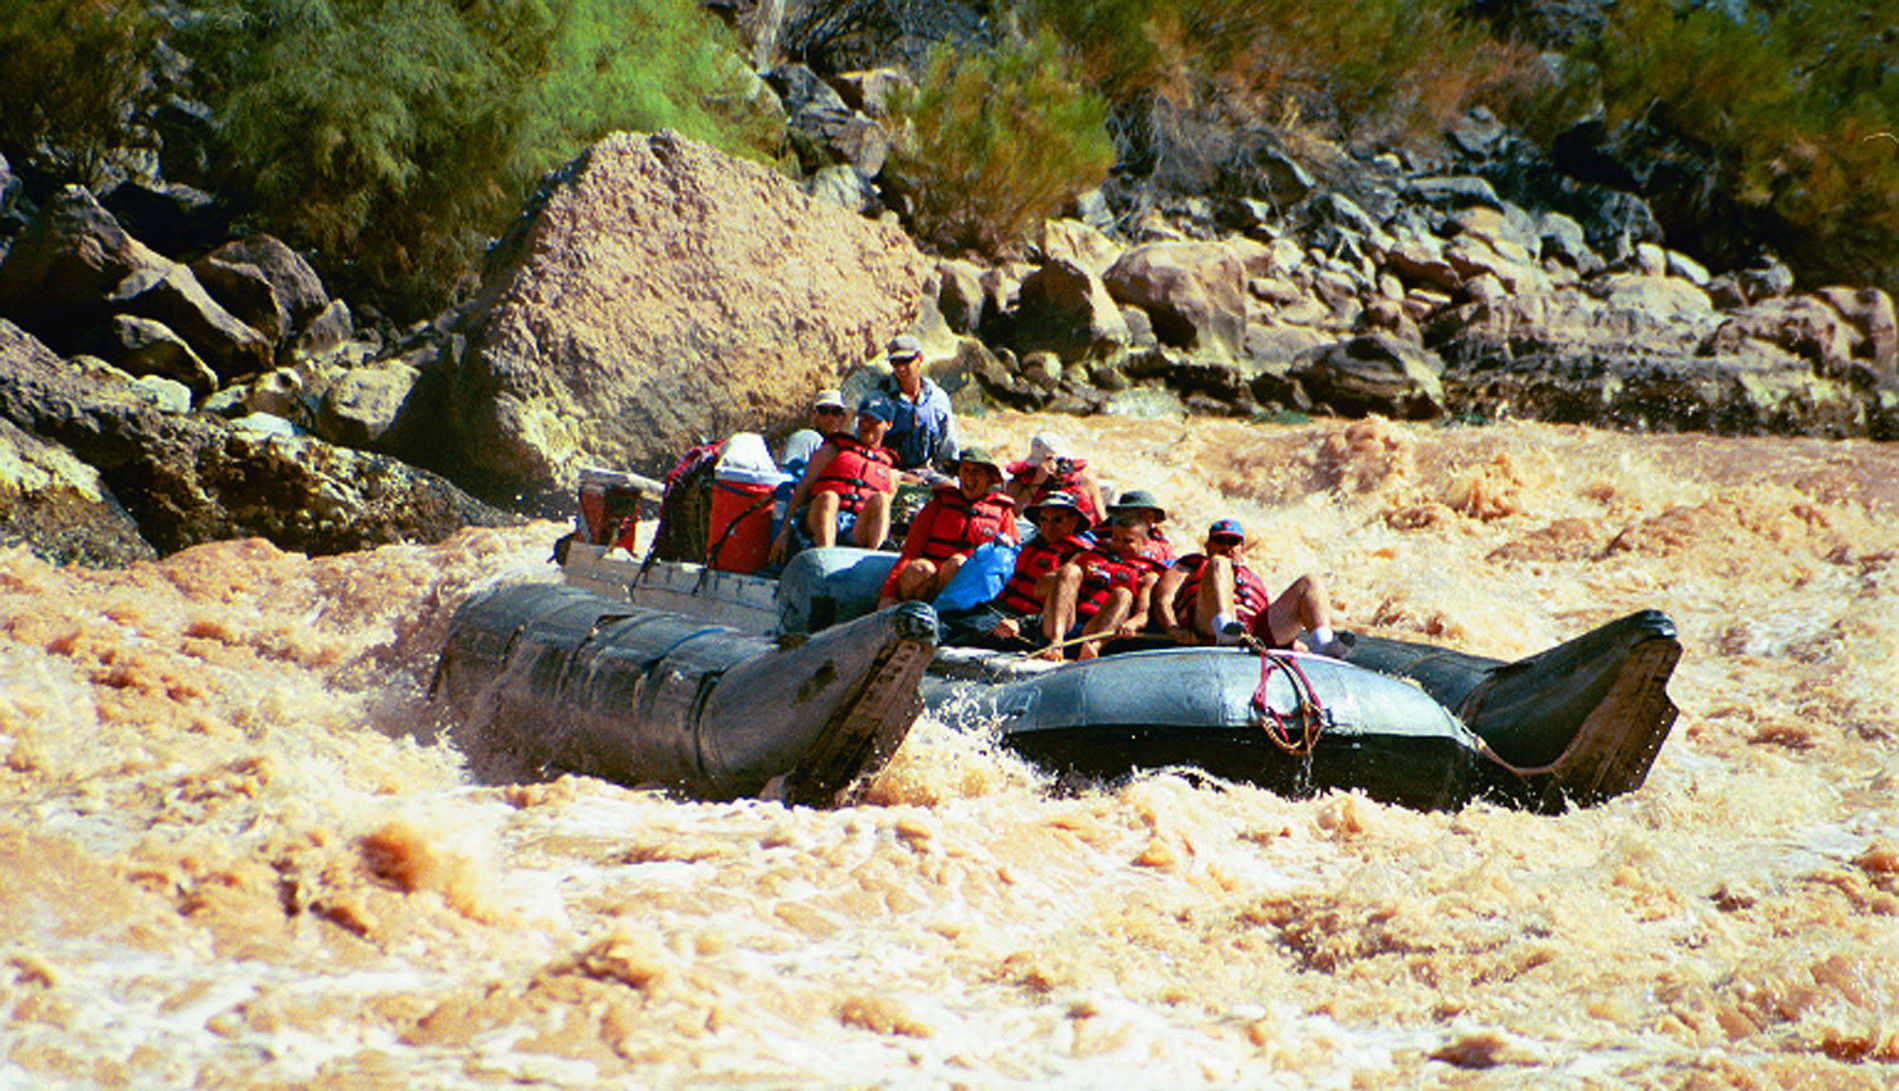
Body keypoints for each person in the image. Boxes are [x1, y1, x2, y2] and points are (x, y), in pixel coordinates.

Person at [1152, 517, 1345, 655]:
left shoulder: (1252, 576)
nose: (1226, 546)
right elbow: (1163, 600)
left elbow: (1269, 613)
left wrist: (1291, 642)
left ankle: (1324, 644)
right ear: (1208, 545)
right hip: (1206, 626)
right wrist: (1173, 628)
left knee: (1310, 582)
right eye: (1219, 540)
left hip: (1254, 633)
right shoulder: (1190, 565)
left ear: (1242, 548)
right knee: (1220, 563)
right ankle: (1224, 629)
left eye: (1233, 541)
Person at [877, 447, 1017, 607]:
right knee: (919, 569)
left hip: (969, 593)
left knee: (957, 565)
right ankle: (911, 618)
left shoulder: (1003, 512)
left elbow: (1011, 562)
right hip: (929, 584)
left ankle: (947, 620)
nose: (969, 476)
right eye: (965, 470)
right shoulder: (938, 504)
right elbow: (909, 553)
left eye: (976, 471)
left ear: (989, 478)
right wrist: (887, 595)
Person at [967, 491, 1097, 660]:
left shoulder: (1081, 558)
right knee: (956, 625)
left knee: (1068, 573)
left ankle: (1056, 644)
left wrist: (1021, 624)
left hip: (1036, 625)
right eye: (1044, 519)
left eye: (1057, 520)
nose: (1049, 525)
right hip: (999, 611)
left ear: (1073, 522)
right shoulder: (1029, 546)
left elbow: (1062, 601)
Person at [770, 393, 898, 559]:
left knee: (881, 499)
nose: (868, 425)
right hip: (818, 518)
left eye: (875, 421)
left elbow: (883, 513)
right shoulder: (830, 451)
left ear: (888, 425)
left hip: (857, 526)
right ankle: (826, 557)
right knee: (829, 497)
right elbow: (803, 488)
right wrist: (784, 531)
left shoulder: (890, 470)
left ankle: (872, 561)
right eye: (864, 419)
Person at [1049, 496, 1175, 659]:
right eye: (1115, 538)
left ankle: (1093, 648)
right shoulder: (1093, 555)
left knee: (1123, 594)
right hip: (1070, 619)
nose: (1119, 545)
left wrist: (1132, 624)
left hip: (1099, 628)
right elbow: (1050, 585)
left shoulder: (1148, 575)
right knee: (1069, 571)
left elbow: (1142, 614)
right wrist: (1081, 576)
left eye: (1127, 541)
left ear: (1144, 543)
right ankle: (1056, 642)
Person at [877, 335, 959, 482]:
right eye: (895, 363)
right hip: (886, 471)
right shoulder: (878, 398)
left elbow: (948, 447)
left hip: (924, 472)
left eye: (906, 361)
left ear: (920, 358)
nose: (901, 368)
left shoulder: (938, 399)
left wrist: (947, 477)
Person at [1004, 432, 1108, 527]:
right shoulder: (1022, 482)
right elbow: (1013, 514)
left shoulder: (1085, 480)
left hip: (1080, 535)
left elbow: (1101, 519)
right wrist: (1036, 483)